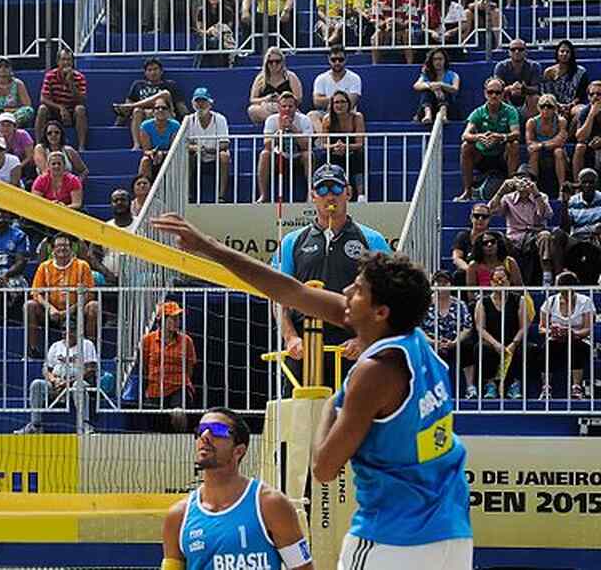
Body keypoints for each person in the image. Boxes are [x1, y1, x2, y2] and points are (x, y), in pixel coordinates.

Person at [151, 216, 472, 569]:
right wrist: (209, 248)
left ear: (380, 312)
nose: (347, 292)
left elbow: (322, 467)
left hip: (393, 538)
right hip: (453, 534)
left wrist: (333, 404)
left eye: (358, 290)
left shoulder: (375, 372)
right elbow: (292, 292)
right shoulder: (417, 344)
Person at [273, 163, 391, 385]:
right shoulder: (292, 241)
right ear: (312, 195)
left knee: (353, 416)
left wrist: (364, 339)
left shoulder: (371, 240)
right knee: (302, 415)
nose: (330, 196)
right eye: (323, 190)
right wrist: (290, 337)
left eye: (336, 189)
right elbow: (278, 298)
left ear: (348, 192)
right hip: (304, 345)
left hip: (351, 346)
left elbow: (387, 296)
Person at [162, 408, 312, 570]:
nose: (205, 436)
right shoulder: (178, 516)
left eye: (217, 430)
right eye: (201, 430)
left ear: (238, 451)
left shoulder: (270, 505)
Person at [14, 325, 99, 434]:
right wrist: (53, 379)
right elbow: (46, 369)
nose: (67, 332)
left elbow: (91, 370)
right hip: (57, 383)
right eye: (64, 329)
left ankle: (85, 424)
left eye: (71, 329)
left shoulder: (87, 344)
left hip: (77, 382)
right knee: (36, 384)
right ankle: (35, 425)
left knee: (78, 385)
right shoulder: (56, 346)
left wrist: (68, 382)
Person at [25, 233, 99, 355]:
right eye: (58, 246)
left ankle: (90, 350)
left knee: (94, 306)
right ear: (53, 249)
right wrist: (50, 308)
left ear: (71, 248)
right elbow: (36, 292)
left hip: (76, 310)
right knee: (29, 305)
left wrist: (70, 310)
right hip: (51, 313)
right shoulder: (44, 267)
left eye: (65, 245)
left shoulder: (82, 266)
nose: (62, 248)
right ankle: (32, 350)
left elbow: (89, 294)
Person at [455, 77, 521, 201]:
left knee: (514, 144)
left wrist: (501, 137)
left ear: (502, 94)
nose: (494, 95)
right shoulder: (478, 112)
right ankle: (467, 191)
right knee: (466, 146)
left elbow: (516, 133)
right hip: (483, 156)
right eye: (490, 92)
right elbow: (465, 135)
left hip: (502, 156)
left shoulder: (510, 111)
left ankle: (512, 189)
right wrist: (478, 137)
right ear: (485, 93)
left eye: (498, 92)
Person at [486, 164, 553, 285]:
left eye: (525, 179)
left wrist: (535, 193)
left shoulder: (541, 196)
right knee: (498, 241)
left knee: (545, 236)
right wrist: (501, 191)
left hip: (535, 234)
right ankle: (501, 276)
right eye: (519, 178)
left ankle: (547, 276)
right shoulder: (508, 198)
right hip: (514, 237)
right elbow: (489, 211)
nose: (522, 182)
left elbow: (545, 214)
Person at [473, 264, 529, 399]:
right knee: (481, 349)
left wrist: (514, 343)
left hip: (513, 339)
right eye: (496, 280)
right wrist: (495, 344)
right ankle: (490, 384)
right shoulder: (483, 302)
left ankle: (514, 385)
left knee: (526, 349)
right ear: (491, 283)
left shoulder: (519, 300)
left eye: (503, 280)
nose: (500, 283)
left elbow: (524, 326)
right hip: (492, 341)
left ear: (509, 282)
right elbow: (480, 328)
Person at [538, 270, 595, 399]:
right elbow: (541, 327)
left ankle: (576, 388)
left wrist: (572, 333)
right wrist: (552, 331)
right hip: (555, 339)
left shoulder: (585, 301)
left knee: (575, 347)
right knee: (547, 348)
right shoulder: (551, 301)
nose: (564, 294)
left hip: (579, 339)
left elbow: (587, 328)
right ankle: (546, 387)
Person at [422, 270, 478, 398]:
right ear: (433, 285)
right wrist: (433, 342)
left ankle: (470, 387)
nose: (442, 285)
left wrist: (455, 342)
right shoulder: (424, 304)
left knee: (468, 346)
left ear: (451, 285)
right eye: (438, 282)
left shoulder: (460, 304)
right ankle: (427, 390)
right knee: (421, 348)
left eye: (445, 282)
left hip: (454, 342)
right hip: (432, 342)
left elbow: (467, 327)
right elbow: (418, 328)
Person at [115, 57, 189, 151]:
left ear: (161, 71)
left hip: (166, 115)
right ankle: (137, 145)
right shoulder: (138, 85)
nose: (153, 72)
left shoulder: (170, 84)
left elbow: (181, 107)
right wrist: (117, 125)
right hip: (145, 118)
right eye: (149, 70)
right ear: (145, 73)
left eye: (155, 69)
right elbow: (125, 109)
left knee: (164, 94)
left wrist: (189, 121)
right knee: (137, 111)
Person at [141, 301, 197, 417]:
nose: (177, 322)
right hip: (155, 389)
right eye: (173, 318)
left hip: (178, 386)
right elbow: (145, 365)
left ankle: (181, 434)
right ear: (162, 320)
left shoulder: (186, 341)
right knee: (152, 420)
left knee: (178, 414)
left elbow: (190, 368)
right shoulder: (148, 340)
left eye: (178, 318)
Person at [546, 167, 601, 284]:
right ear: (579, 184)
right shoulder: (572, 201)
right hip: (576, 238)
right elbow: (565, 228)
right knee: (557, 234)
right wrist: (565, 203)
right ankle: (559, 277)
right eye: (584, 182)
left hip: (596, 237)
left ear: (596, 183)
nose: (588, 185)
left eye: (591, 182)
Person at [258, 92, 314, 203]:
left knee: (308, 155)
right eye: (284, 106)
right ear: (278, 107)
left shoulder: (304, 120)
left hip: (299, 156)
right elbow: (267, 145)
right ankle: (263, 195)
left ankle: (310, 194)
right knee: (264, 154)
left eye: (290, 106)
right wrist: (281, 131)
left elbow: (307, 145)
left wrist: (293, 128)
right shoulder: (271, 120)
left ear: (296, 108)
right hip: (280, 156)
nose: (287, 109)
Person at [183, 87, 231, 202]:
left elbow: (224, 144)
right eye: (197, 101)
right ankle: (188, 194)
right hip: (197, 158)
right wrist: (195, 148)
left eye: (203, 101)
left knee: (225, 156)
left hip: (215, 158)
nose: (200, 104)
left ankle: (221, 196)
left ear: (210, 103)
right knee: (189, 156)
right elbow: (183, 144)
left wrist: (209, 150)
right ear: (193, 104)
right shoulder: (188, 120)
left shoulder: (220, 119)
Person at [319, 91, 367, 200]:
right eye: (336, 102)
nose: (339, 105)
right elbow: (324, 144)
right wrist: (335, 146)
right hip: (334, 151)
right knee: (322, 158)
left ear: (348, 104)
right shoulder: (327, 119)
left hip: (352, 151)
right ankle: (325, 193)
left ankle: (361, 195)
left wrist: (345, 147)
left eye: (342, 102)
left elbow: (360, 143)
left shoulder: (357, 117)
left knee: (360, 157)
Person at [37, 49, 89, 150]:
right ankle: (39, 145)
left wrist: (71, 83)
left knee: (80, 109)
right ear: (58, 62)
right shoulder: (50, 76)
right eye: (63, 59)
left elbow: (82, 100)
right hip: (55, 110)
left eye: (69, 60)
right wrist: (60, 108)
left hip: (71, 111)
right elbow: (43, 99)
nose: (66, 63)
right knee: (42, 109)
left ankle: (81, 146)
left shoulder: (79, 77)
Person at [246, 47, 303, 125]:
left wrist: (282, 99)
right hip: (266, 108)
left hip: (286, 108)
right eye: (270, 62)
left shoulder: (290, 77)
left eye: (277, 61)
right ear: (266, 63)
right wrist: (267, 98)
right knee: (252, 110)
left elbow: (298, 98)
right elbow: (252, 99)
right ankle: (279, 121)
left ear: (282, 62)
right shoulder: (261, 78)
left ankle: (283, 121)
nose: (274, 64)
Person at [524, 93, 568, 194]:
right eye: (542, 106)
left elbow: (560, 141)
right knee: (534, 153)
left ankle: (562, 189)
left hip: (554, 153)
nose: (546, 109)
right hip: (539, 154)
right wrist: (549, 144)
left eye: (549, 106)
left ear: (555, 108)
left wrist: (541, 145)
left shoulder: (561, 121)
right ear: (538, 108)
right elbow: (530, 144)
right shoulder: (532, 122)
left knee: (558, 151)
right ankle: (532, 190)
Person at [542, 40, 590, 126]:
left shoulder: (580, 72)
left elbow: (581, 94)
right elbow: (546, 93)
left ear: (571, 54)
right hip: (553, 104)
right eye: (562, 51)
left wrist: (570, 105)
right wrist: (558, 105)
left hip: (573, 105)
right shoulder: (548, 72)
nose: (564, 54)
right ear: (557, 53)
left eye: (567, 52)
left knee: (581, 111)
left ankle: (570, 137)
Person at [371, 0, 417, 65]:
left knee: (407, 34)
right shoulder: (377, 3)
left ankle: (409, 64)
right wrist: (387, 22)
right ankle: (375, 64)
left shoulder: (410, 3)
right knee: (375, 36)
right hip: (385, 31)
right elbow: (377, 23)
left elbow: (410, 23)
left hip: (402, 31)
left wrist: (396, 23)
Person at [494, 38, 542, 120]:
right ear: (509, 52)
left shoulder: (534, 66)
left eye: (520, 49)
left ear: (526, 52)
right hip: (507, 99)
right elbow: (496, 88)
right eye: (513, 49)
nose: (517, 52)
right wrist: (510, 88)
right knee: (496, 98)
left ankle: (530, 128)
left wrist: (524, 89)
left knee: (535, 98)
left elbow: (536, 88)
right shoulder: (501, 66)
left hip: (527, 101)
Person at [195, 0, 238, 68]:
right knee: (205, 43)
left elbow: (229, 29)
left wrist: (216, 29)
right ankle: (197, 68)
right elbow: (199, 30)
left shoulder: (228, 11)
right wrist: (209, 31)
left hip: (223, 39)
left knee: (217, 42)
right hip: (207, 37)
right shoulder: (201, 11)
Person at [414, 48, 461, 124]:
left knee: (445, 91)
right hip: (431, 107)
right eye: (435, 59)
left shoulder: (453, 75)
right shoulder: (427, 74)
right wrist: (431, 85)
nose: (437, 62)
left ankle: (443, 113)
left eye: (440, 59)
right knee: (426, 92)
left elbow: (455, 88)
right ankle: (427, 114)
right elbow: (416, 86)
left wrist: (440, 85)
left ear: (445, 60)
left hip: (449, 109)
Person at [451, 202, 492, 285]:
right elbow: (457, 258)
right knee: (459, 275)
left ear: (489, 219)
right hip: (467, 271)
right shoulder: (463, 236)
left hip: (489, 272)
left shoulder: (494, 237)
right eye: (477, 216)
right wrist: (470, 271)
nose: (480, 219)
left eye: (484, 217)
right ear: (471, 217)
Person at [138, 101, 182, 179]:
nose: (160, 110)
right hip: (153, 157)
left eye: (164, 108)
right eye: (157, 108)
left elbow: (174, 149)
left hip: (170, 156)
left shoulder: (175, 125)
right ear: (153, 112)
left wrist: (162, 154)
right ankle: (145, 187)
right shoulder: (145, 126)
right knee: (145, 161)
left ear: (169, 111)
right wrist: (153, 153)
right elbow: (146, 150)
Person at [0, 112, 36, 183]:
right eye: (2, 125)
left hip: (24, 165)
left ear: (14, 126)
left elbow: (30, 156)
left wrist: (18, 167)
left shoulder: (23, 135)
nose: (5, 128)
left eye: (8, 125)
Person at [573, 81, 601, 177]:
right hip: (590, 148)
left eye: (599, 94)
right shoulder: (585, 111)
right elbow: (580, 137)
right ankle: (578, 185)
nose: (595, 97)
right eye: (591, 94)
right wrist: (591, 115)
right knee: (579, 147)